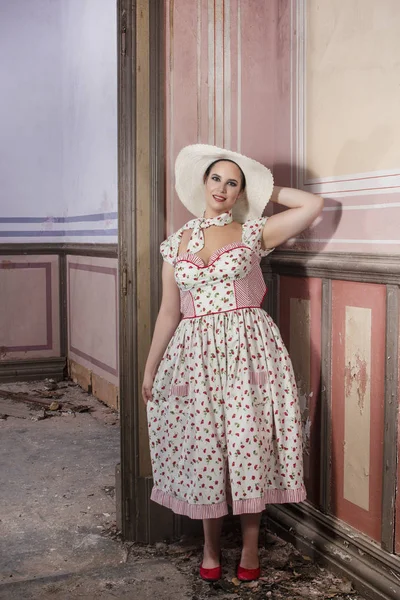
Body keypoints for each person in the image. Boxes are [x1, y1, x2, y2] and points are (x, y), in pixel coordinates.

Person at [142, 144, 323, 583]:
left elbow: (313, 205)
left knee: (247, 446)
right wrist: (150, 369)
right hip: (193, 356)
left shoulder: (252, 231)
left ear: (242, 191)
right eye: (217, 179)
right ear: (203, 183)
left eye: (233, 182)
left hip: (247, 350)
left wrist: (264, 187)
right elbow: (170, 311)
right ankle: (208, 548)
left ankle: (248, 547)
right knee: (205, 449)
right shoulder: (175, 244)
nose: (223, 188)